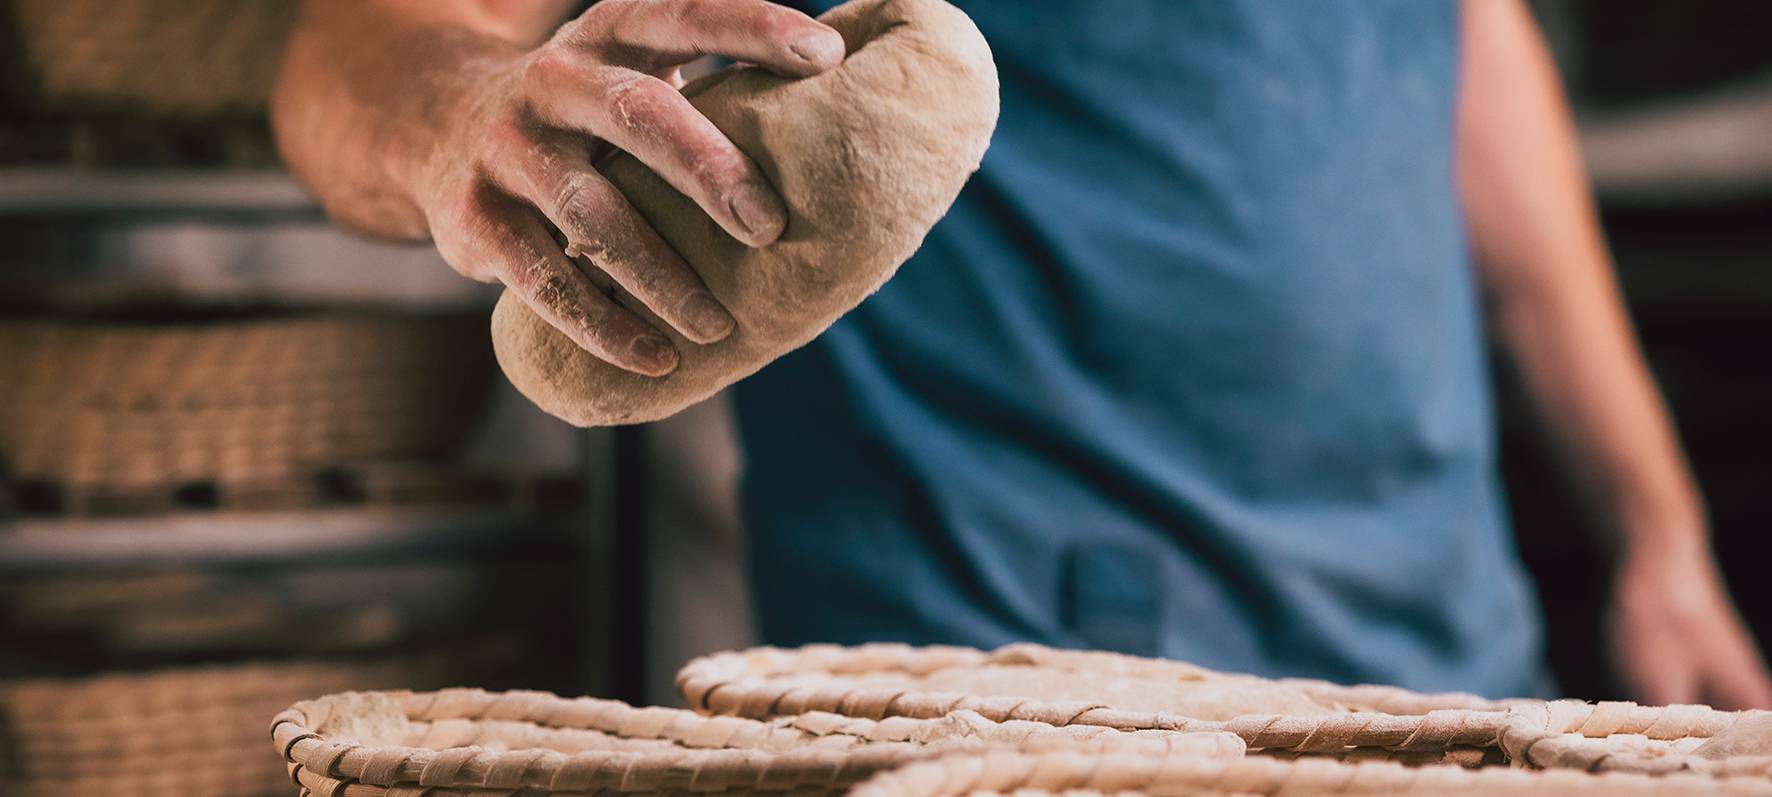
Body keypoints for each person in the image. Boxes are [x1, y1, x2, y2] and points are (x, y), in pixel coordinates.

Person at [273, 0, 1772, 705]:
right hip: (1001, 671)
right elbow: (359, 37)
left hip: (1439, 653)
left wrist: (1660, 535)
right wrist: (454, 116)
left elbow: (1472, 81)